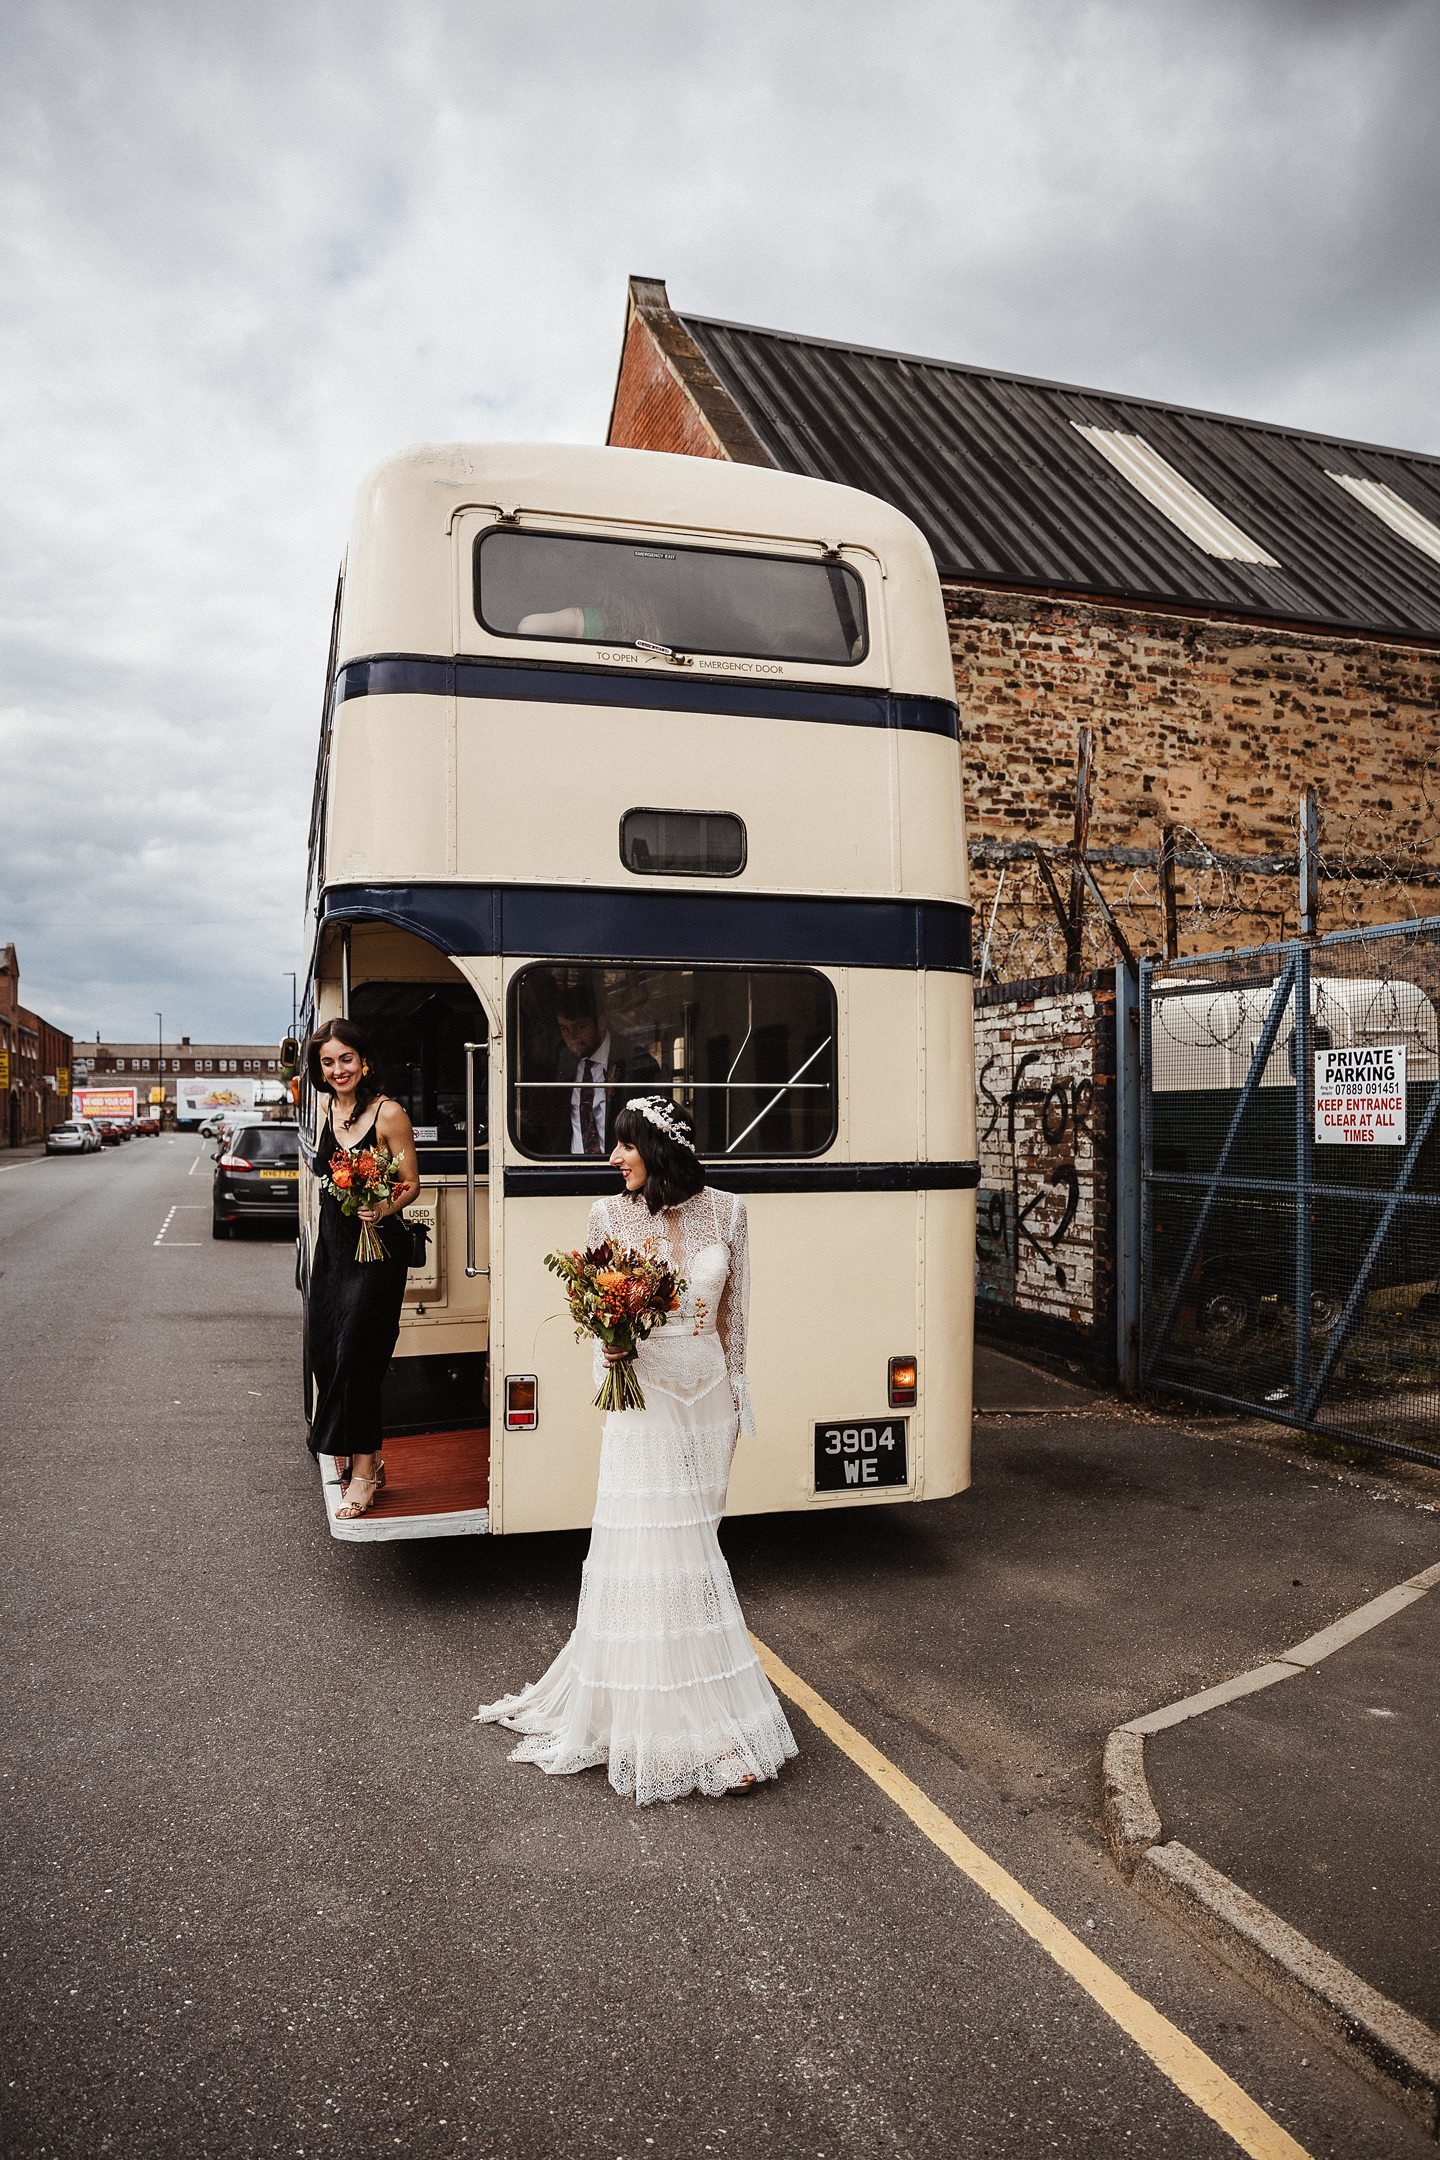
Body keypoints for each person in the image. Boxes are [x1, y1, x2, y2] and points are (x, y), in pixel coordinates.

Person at [474, 1095, 798, 1803]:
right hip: (643, 1402)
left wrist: (738, 1394)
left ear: (661, 1148)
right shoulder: (606, 1216)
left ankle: (687, 1704)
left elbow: (734, 1317)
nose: (613, 1157)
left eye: (626, 1145)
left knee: (695, 1551)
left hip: (706, 1403)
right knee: (661, 1555)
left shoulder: (732, 1212)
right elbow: (598, 1321)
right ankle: (696, 1732)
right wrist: (612, 1352)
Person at [304, 1019, 420, 1520]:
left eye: (345, 1059)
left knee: (359, 1355)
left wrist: (383, 1207)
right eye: (327, 1062)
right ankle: (361, 1450)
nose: (337, 1070)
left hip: (377, 1249)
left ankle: (365, 1471)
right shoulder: (323, 1109)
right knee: (326, 1353)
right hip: (333, 1246)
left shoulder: (389, 1113)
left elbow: (412, 1183)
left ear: (364, 1060)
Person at [551, 977, 659, 1156]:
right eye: (564, 1029)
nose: (572, 1037)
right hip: (570, 1169)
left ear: (600, 1023)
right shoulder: (562, 1060)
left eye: (580, 1027)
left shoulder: (637, 1062)